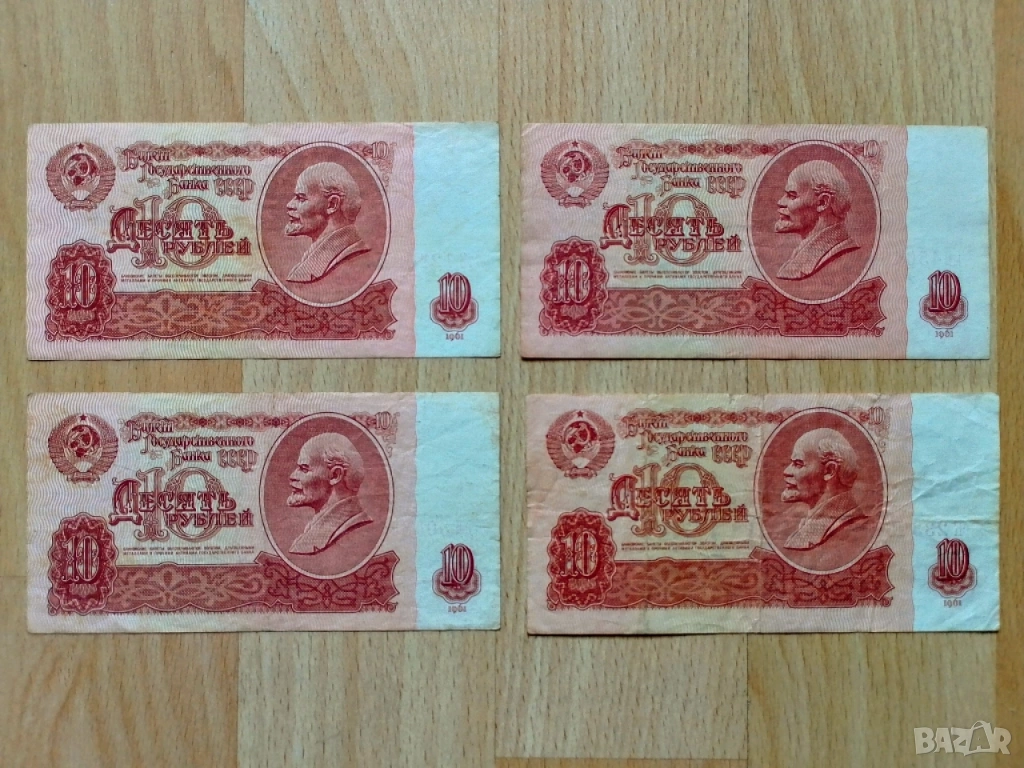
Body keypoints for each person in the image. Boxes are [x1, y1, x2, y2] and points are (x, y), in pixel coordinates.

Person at [780, 428, 870, 550]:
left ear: (829, 470)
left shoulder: (853, 528)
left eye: (798, 464)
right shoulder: (814, 524)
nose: (786, 471)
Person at [284, 161, 369, 283]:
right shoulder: (320, 254)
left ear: (332, 204)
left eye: (301, 198)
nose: (289, 205)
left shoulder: (351, 257)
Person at [774, 160, 859, 280]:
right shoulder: (808, 251)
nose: (780, 202)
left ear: (822, 202)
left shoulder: (843, 255)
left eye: (792, 196)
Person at [286, 432, 369, 554]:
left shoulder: (352, 528)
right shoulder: (321, 525)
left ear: (335, 475)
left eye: (304, 469)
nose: (292, 476)